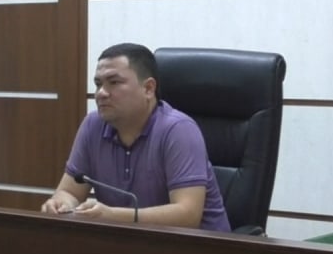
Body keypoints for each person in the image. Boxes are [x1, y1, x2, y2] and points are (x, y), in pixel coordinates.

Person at [41, 43, 230, 231]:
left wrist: (112, 216)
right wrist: (62, 204)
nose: (101, 93)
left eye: (114, 82)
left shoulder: (178, 130)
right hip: (129, 244)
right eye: (98, 84)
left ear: (148, 88)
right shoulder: (93, 125)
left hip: (199, 247)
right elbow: (70, 191)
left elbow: (187, 215)